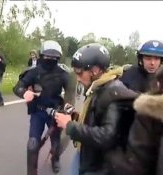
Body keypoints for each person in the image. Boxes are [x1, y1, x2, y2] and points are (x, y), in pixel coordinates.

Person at [54, 43, 138, 175]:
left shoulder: (113, 93)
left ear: (95, 70)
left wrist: (70, 126)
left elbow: (107, 136)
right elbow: (97, 118)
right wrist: (76, 117)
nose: (78, 78)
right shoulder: (98, 87)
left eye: (80, 72)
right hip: (87, 153)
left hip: (99, 165)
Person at [13, 40, 76, 175]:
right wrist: (24, 92)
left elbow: (70, 95)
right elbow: (18, 86)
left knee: (56, 142)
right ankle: (32, 171)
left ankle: (55, 159)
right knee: (33, 143)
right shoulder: (33, 72)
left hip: (55, 112)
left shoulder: (63, 73)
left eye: (54, 58)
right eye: (47, 56)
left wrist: (68, 108)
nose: (50, 59)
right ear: (41, 56)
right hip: (38, 111)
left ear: (58, 58)